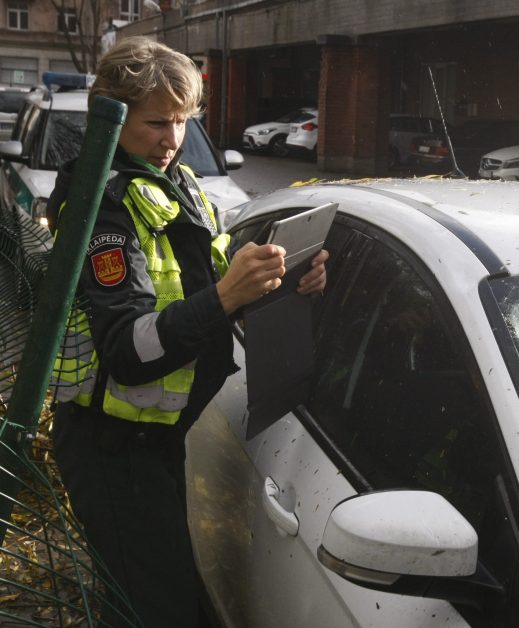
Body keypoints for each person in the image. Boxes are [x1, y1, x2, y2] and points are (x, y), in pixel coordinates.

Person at [49, 36, 328, 627]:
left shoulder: (179, 185)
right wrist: (228, 296)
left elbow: (209, 291)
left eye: (181, 122)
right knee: (152, 610)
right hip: (112, 447)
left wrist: (275, 281)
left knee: (154, 594)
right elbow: (127, 351)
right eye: (156, 123)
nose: (172, 141)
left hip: (154, 439)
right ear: (114, 116)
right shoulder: (102, 205)